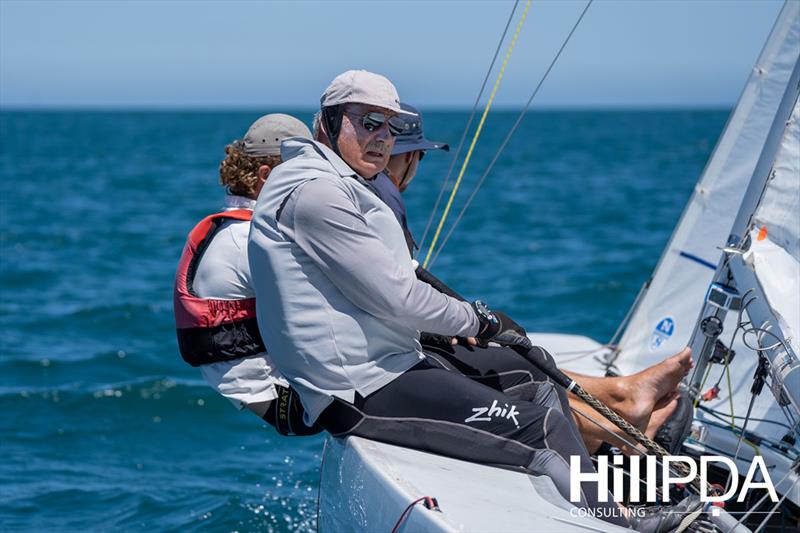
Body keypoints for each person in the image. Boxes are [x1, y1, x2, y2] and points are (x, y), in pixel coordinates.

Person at [248, 70, 699, 531]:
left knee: (531, 376)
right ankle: (621, 521)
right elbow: (397, 298)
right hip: (359, 391)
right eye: (368, 122)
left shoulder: (336, 180)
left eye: (391, 126)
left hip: (390, 364)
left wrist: (480, 325)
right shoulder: (317, 193)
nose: (383, 138)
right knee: (541, 429)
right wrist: (479, 320)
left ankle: (606, 484)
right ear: (327, 121)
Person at [173, 113, 322, 436]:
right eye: (307, 172)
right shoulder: (250, 239)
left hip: (268, 388)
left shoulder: (233, 227)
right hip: (289, 405)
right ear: (266, 177)